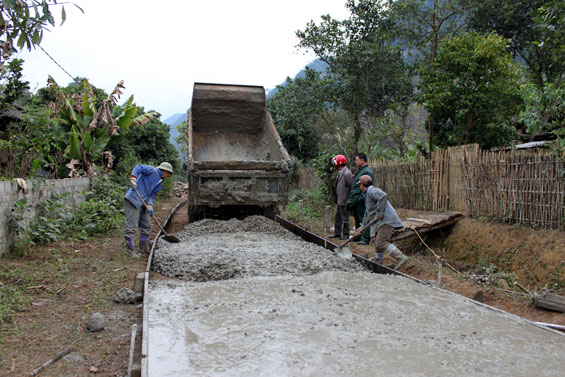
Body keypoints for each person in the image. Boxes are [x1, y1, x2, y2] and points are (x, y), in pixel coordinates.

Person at [355, 175, 408, 270]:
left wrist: (379, 212)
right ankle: (378, 262)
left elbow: (383, 196)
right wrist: (362, 227)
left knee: (380, 243)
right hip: (382, 221)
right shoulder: (367, 195)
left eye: (360, 185)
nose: (360, 187)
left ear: (362, 185)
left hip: (387, 220)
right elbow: (368, 213)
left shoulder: (371, 190)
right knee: (377, 243)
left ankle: (401, 257)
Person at [123, 162, 174, 256]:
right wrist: (133, 178)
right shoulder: (151, 170)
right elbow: (138, 167)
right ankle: (130, 252)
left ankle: (143, 248)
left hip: (144, 203)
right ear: (164, 171)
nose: (168, 176)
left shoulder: (159, 183)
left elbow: (151, 195)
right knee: (132, 226)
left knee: (146, 226)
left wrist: (150, 205)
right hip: (134, 199)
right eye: (168, 173)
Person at [345, 153, 374, 245]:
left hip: (361, 200)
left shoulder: (367, 172)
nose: (356, 162)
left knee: (363, 219)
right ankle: (358, 236)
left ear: (362, 160)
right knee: (357, 219)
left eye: (357, 160)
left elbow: (367, 187)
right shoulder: (361, 171)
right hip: (356, 200)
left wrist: (360, 198)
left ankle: (365, 238)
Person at [329, 154, 353, 240]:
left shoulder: (347, 173)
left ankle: (346, 234)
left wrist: (348, 199)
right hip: (339, 200)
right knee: (337, 217)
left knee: (345, 218)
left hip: (344, 200)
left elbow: (351, 186)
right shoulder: (341, 173)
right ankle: (337, 233)